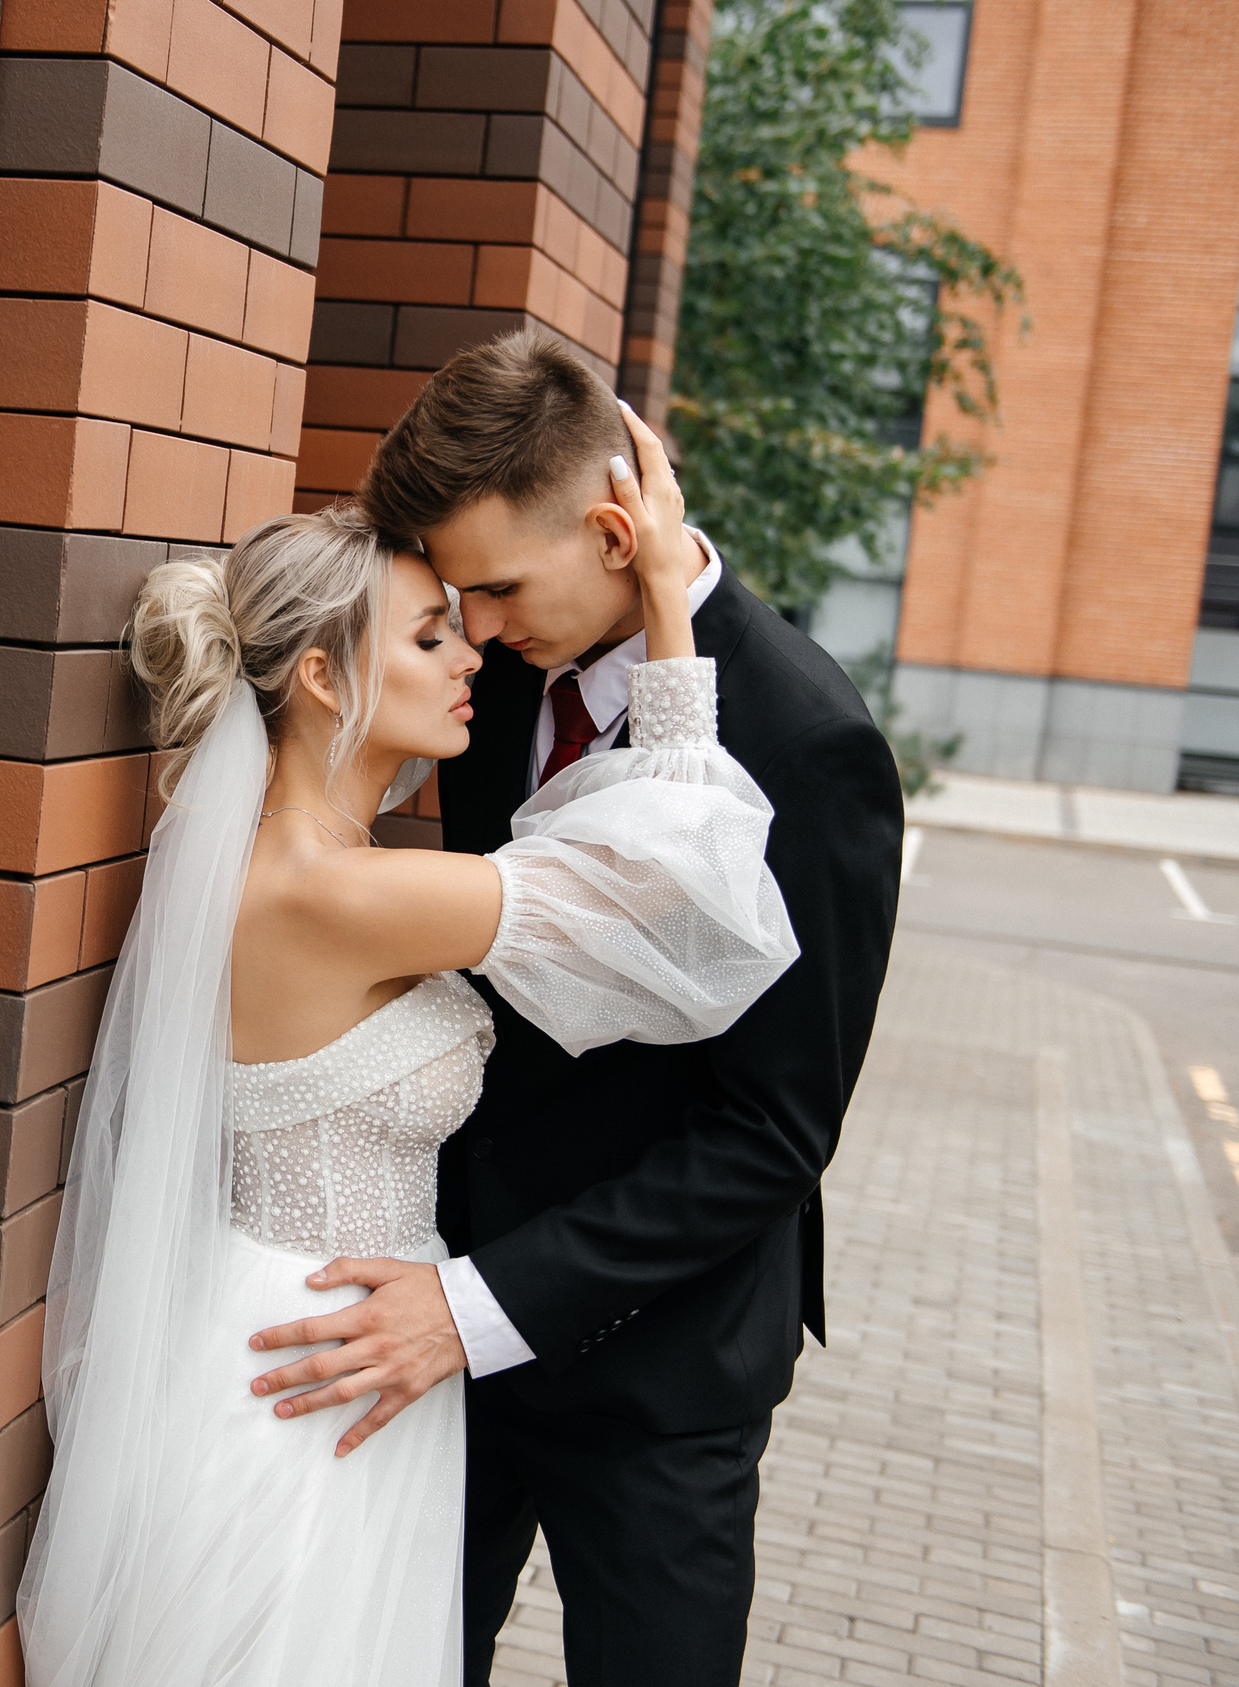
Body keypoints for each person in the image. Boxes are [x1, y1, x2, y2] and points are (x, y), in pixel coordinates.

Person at [17, 409, 802, 1686]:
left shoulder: (291, 862)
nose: (472, 655)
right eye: (431, 636)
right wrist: (669, 600)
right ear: (323, 680)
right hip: (326, 1360)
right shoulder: (344, 895)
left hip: (302, 1331)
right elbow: (686, 897)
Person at [354, 332, 904, 1685]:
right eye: (459, 597)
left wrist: (481, 1306)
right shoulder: (488, 681)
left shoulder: (807, 740)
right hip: (438, 1329)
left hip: (660, 1374)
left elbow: (773, 1132)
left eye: (497, 588)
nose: (477, 630)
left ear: (613, 534)